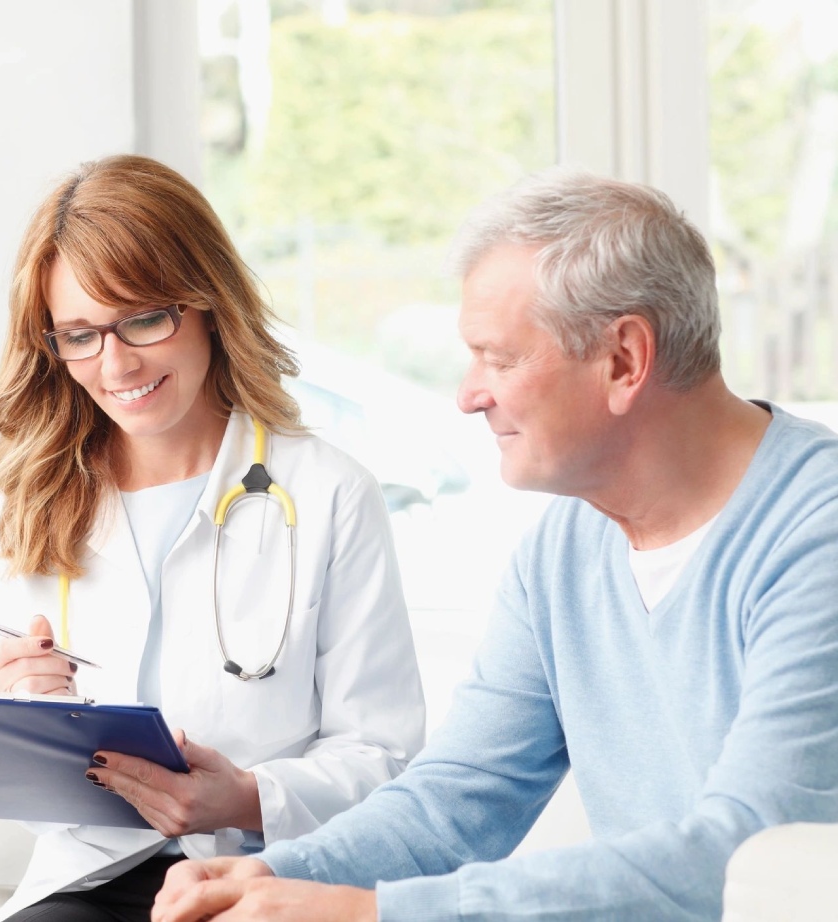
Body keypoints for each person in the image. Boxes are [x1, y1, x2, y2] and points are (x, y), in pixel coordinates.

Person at [151, 170, 838, 922]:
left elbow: (742, 859)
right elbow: (454, 801)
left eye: (499, 359)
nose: (467, 394)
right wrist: (264, 876)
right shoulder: (565, 550)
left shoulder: (815, 535)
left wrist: (365, 913)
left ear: (624, 360)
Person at [0, 154, 426, 921]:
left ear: (209, 302)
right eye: (79, 335)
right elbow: (21, 799)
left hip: (266, 872)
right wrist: (21, 717)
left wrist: (244, 798)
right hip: (87, 879)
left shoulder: (328, 493)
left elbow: (384, 760)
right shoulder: (28, 501)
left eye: (144, 319)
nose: (115, 365)